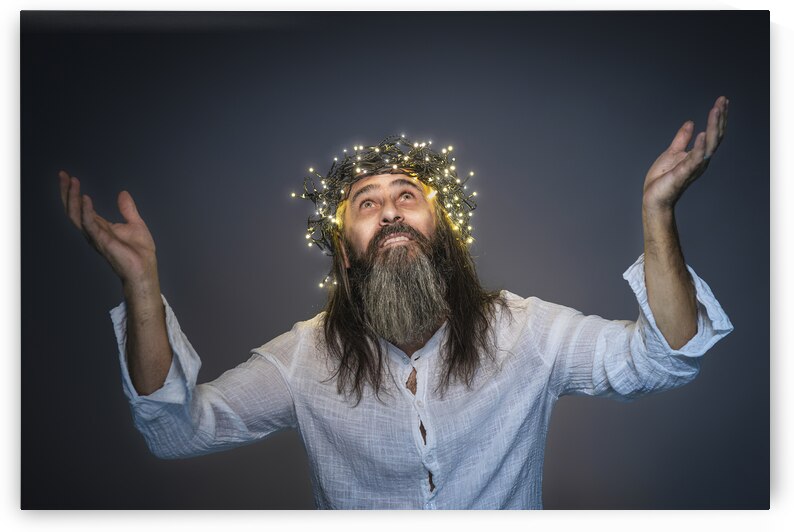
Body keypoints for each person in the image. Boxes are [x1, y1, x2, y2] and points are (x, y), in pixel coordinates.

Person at [59, 97, 734, 510]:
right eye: (367, 204)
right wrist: (142, 286)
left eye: (407, 196)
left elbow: (663, 357)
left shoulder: (526, 331)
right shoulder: (303, 357)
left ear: (444, 231)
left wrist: (657, 214)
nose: (389, 211)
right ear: (344, 249)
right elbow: (177, 432)